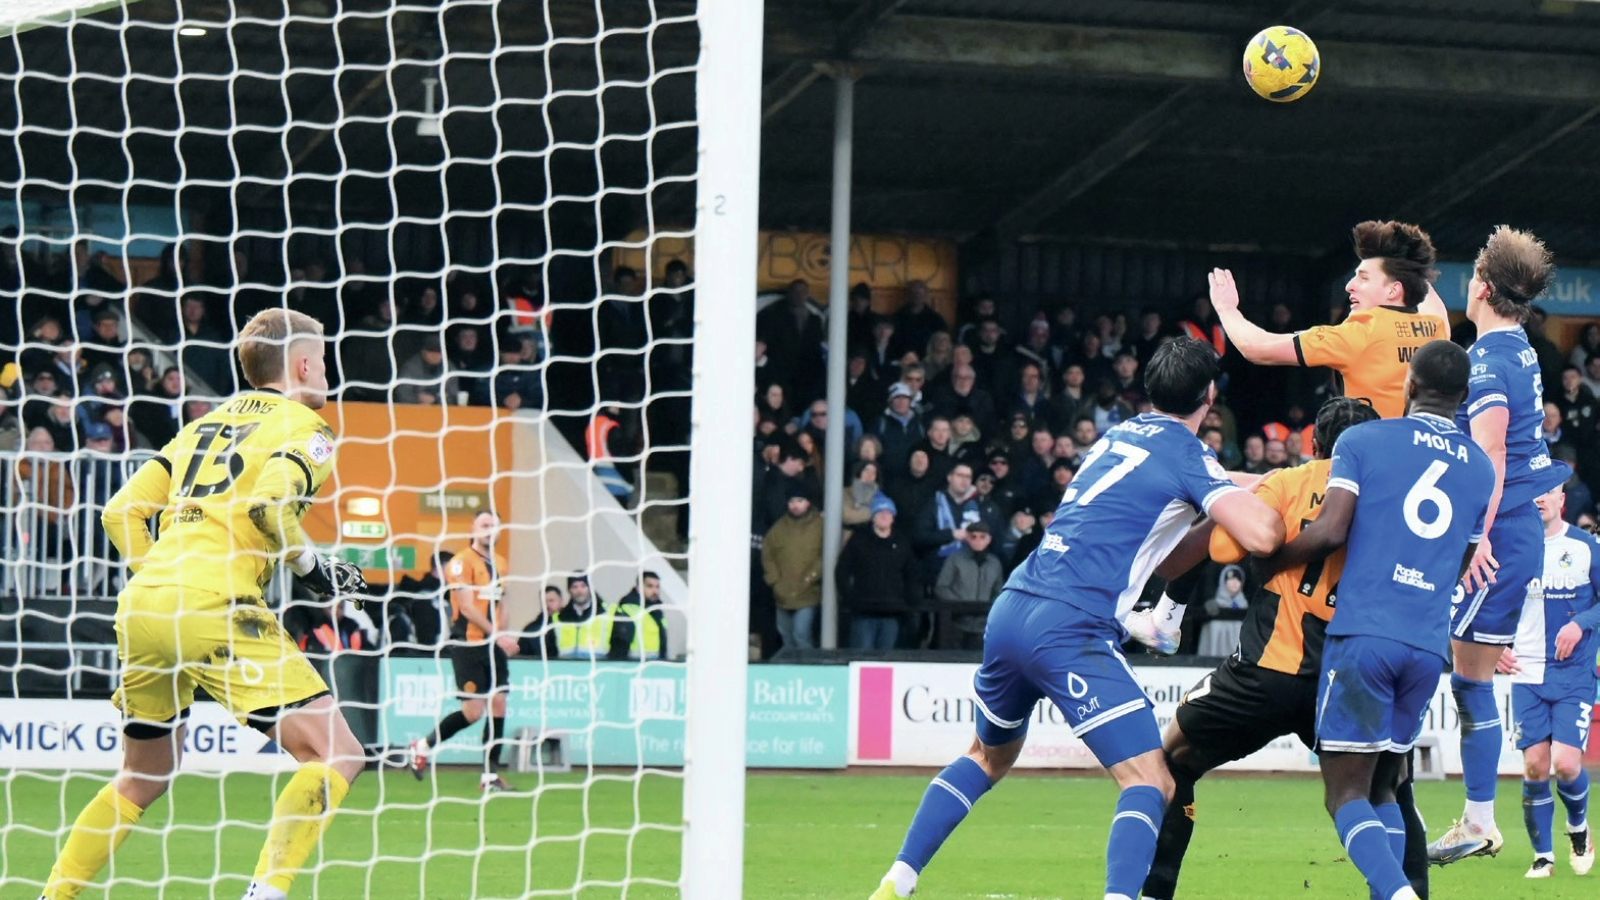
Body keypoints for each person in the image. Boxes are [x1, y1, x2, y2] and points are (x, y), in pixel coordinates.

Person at [868, 338, 1283, 900]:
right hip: (1071, 627)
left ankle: (899, 879)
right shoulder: (1189, 459)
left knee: (985, 756)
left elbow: (1194, 501)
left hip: (1014, 607)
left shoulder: (1120, 433)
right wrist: (1277, 497)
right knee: (1150, 780)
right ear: (1210, 396)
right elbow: (1260, 533)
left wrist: (1254, 485)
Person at [43, 309, 370, 900]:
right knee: (336, 752)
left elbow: (119, 511)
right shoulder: (308, 430)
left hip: (144, 606)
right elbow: (268, 509)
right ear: (301, 365)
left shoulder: (202, 425)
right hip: (217, 603)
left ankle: (54, 896)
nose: (326, 370)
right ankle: (264, 894)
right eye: (322, 359)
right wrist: (314, 570)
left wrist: (163, 575)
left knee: (143, 775)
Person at [1261, 340, 1493, 900]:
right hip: (1426, 647)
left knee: (1345, 793)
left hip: (1365, 635)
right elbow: (1460, 560)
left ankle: (1397, 892)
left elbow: (1330, 531)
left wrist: (1269, 558)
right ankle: (1394, 889)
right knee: (1386, 786)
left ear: (1409, 385)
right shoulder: (1480, 469)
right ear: (1463, 398)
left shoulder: (1363, 439)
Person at [1124, 398, 1380, 900]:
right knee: (1382, 791)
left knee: (1170, 763)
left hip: (1261, 675)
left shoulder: (1287, 483)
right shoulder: (1390, 496)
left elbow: (1222, 549)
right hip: (1344, 680)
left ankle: (1155, 892)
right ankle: (1402, 888)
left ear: (1316, 444)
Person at [1431, 226, 1572, 865]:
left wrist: (1476, 538)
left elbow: (1489, 452)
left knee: (1447, 666)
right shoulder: (1516, 348)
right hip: (1515, 530)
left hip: (1497, 529)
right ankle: (1476, 818)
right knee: (1468, 676)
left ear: (1482, 287)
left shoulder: (1487, 362)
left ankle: (1477, 820)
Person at [1207, 221, 1449, 419]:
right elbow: (1425, 292)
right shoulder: (1436, 328)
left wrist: (1226, 309)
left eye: (1363, 278)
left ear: (1393, 290)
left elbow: (1256, 348)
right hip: (1419, 461)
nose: (1349, 286)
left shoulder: (1358, 334)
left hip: (1367, 463)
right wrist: (1411, 266)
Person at [1502, 485, 1598, 879]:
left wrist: (1580, 623)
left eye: (1548, 492)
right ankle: (1543, 856)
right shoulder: (1511, 548)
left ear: (1562, 499)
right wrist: (1496, 647)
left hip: (1572, 672)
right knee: (1536, 766)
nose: (1540, 499)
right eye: (1534, 493)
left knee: (1566, 763)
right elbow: (1492, 603)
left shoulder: (1585, 546)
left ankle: (1578, 827)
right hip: (1526, 670)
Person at [407, 511, 518, 793]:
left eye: (494, 526)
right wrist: (498, 635)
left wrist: (502, 635)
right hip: (467, 643)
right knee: (473, 712)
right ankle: (423, 745)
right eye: (484, 525)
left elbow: (503, 602)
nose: (489, 530)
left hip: (492, 644)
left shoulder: (501, 564)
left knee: (499, 703)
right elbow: (467, 607)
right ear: (473, 528)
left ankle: (490, 775)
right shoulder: (459, 563)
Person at [836, 495, 920, 651]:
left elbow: (912, 573)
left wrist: (910, 598)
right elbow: (842, 570)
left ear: (893, 517)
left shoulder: (901, 541)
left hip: (892, 612)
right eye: (880, 512)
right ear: (873, 517)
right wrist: (850, 597)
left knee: (887, 661)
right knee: (862, 658)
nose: (884, 516)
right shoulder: (859, 539)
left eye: (888, 512)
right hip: (864, 611)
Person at [762, 484, 823, 652]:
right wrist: (774, 580)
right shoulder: (779, 527)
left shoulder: (820, 525)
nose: (795, 505)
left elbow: (827, 555)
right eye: (792, 501)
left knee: (801, 634)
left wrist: (812, 576)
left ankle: (807, 672)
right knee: (786, 637)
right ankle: (791, 675)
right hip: (782, 593)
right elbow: (767, 553)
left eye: (800, 501)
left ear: (808, 502)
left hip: (809, 592)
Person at [933, 521, 1005, 650]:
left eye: (982, 537)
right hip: (956, 623)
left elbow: (999, 590)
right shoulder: (954, 559)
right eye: (973, 536)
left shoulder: (995, 563)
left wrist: (991, 609)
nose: (978, 540)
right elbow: (941, 587)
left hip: (984, 626)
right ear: (967, 538)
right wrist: (960, 605)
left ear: (989, 539)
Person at [608, 571, 668, 661]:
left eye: (657, 587)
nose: (655, 591)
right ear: (638, 588)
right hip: (633, 666)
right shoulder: (628, 608)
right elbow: (620, 645)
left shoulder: (657, 611)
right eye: (650, 586)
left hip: (654, 666)